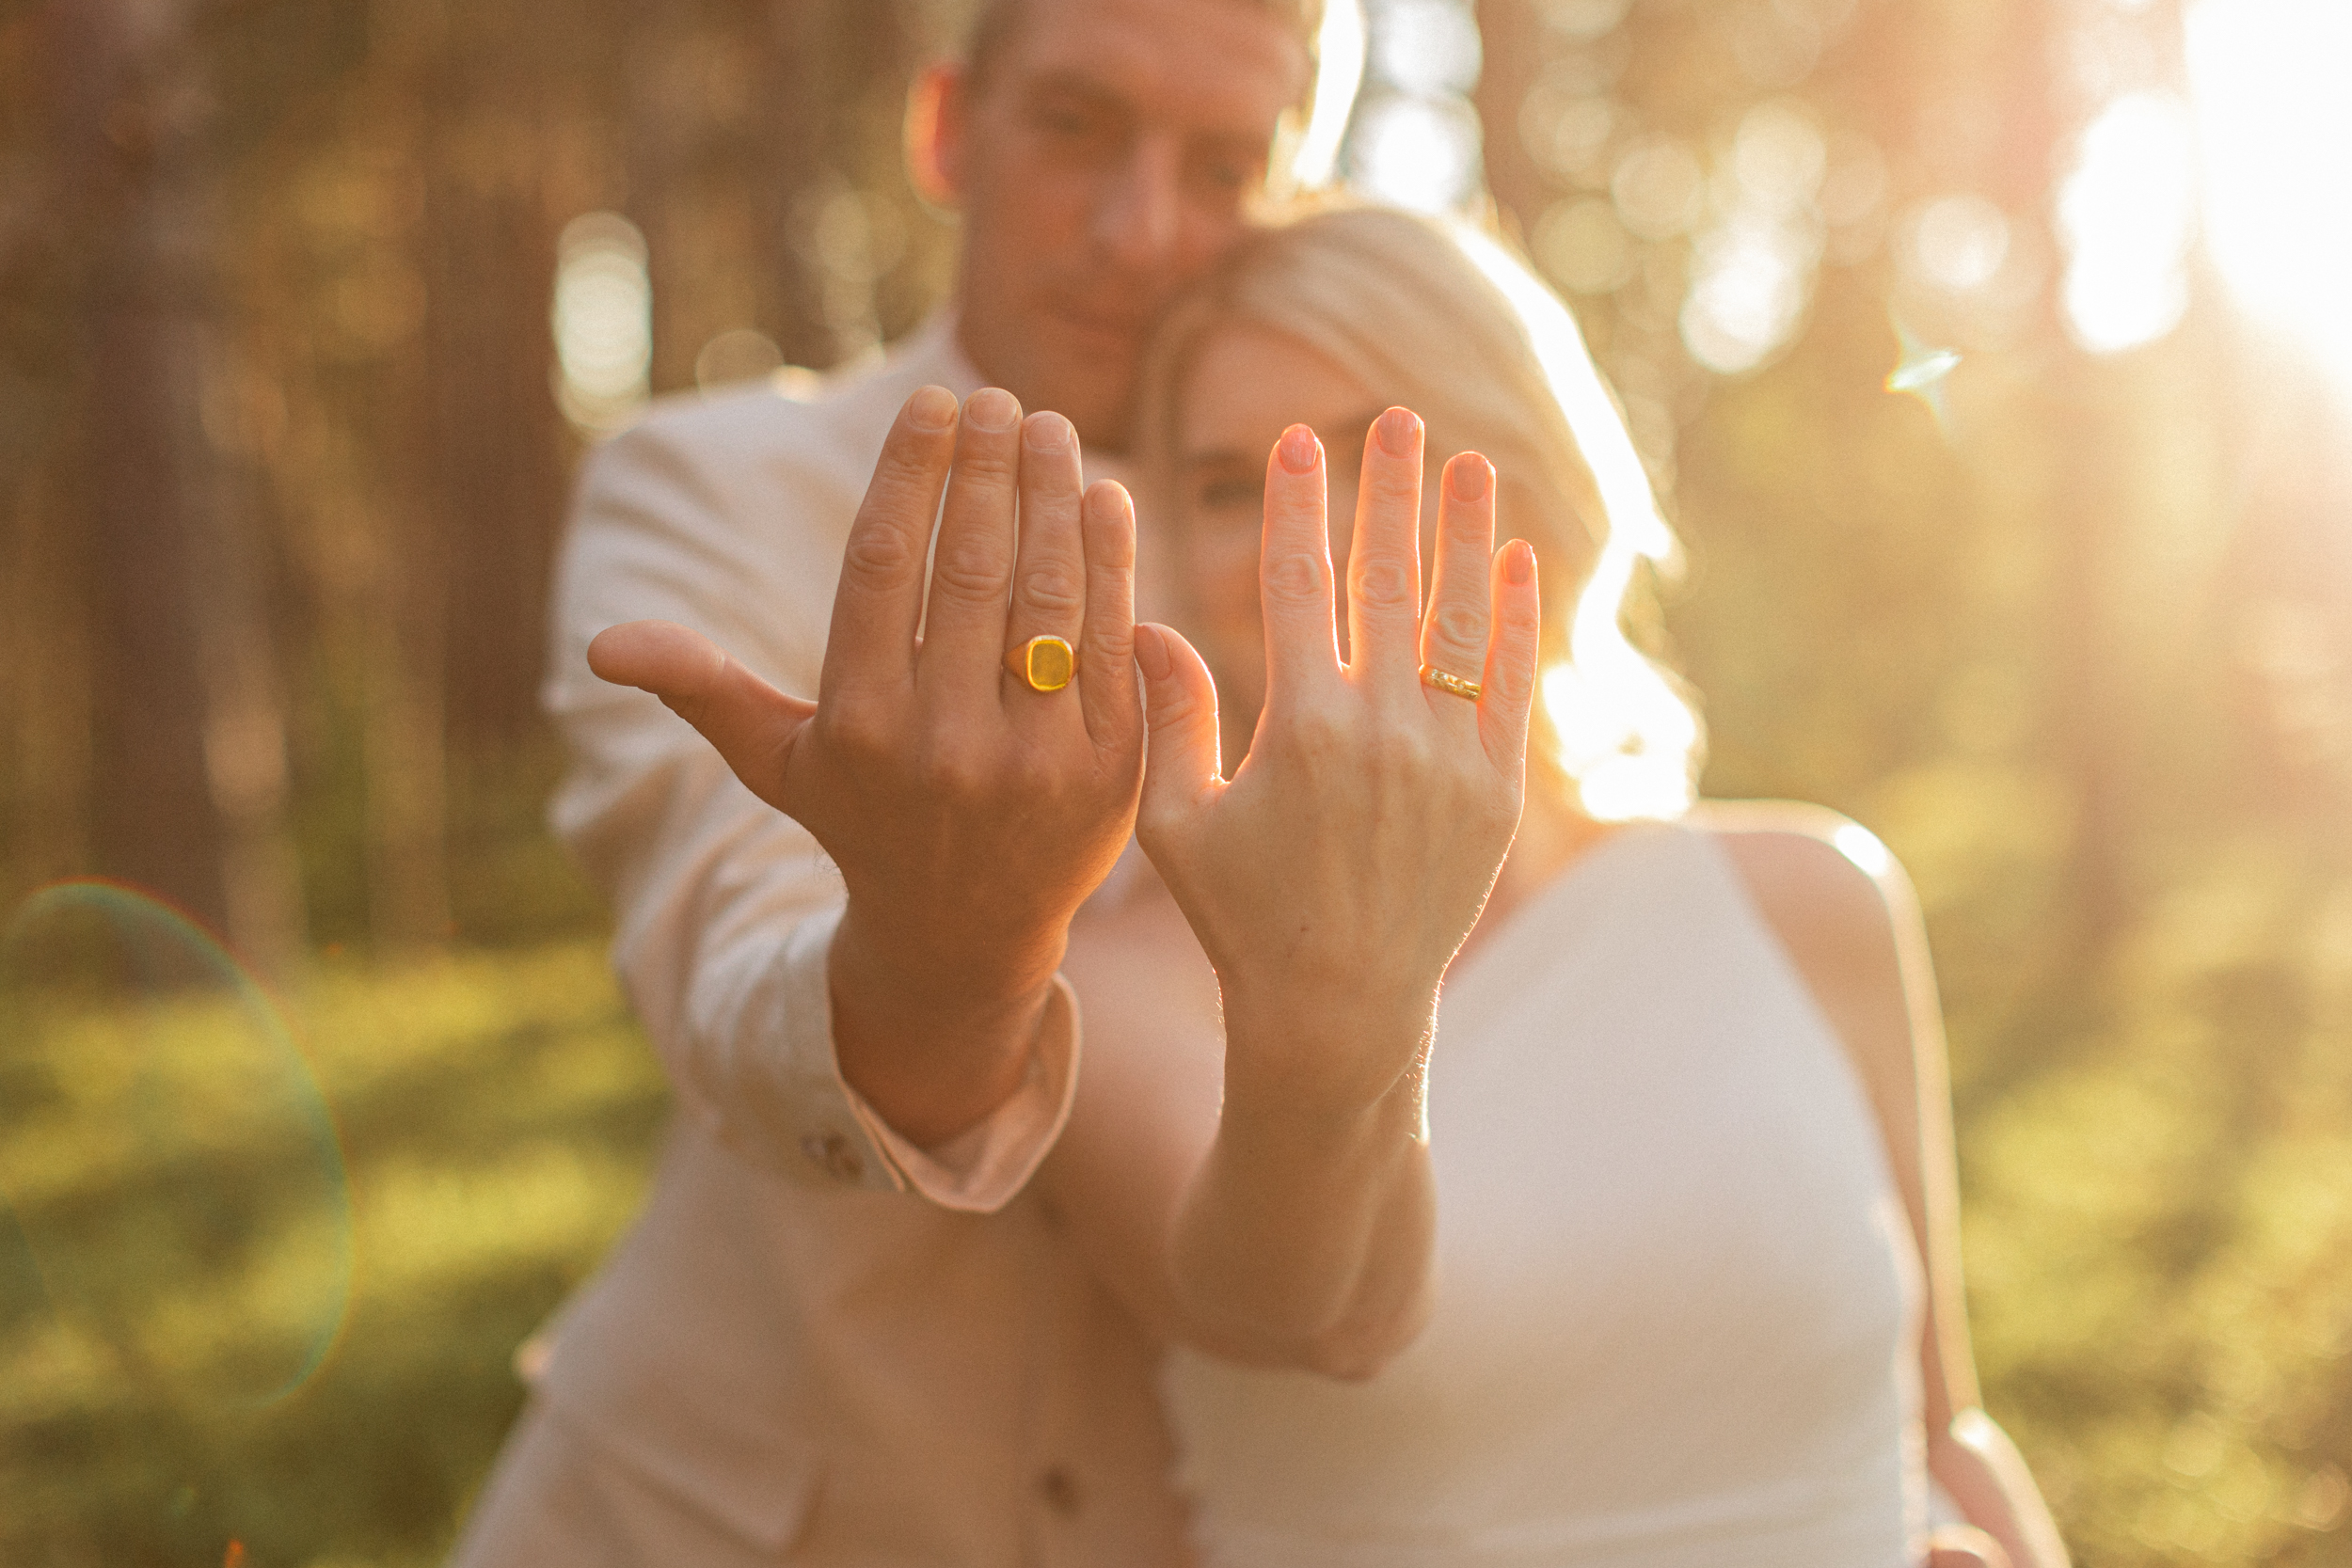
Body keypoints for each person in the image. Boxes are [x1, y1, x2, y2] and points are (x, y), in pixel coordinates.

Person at [1031, 204, 2074, 1567]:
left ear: (1524, 466)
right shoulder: (1115, 988)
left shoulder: (1807, 900)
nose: (1322, 536)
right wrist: (1343, 956)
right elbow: (1302, 1304)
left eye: (1381, 452)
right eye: (1236, 487)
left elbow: (1941, 1433)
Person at [450, 1, 1321, 1561]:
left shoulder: (1334, 558)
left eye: (1226, 164)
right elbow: (731, 973)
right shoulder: (707, 488)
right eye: (1076, 125)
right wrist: (946, 954)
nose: (1139, 232)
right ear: (943, 131)